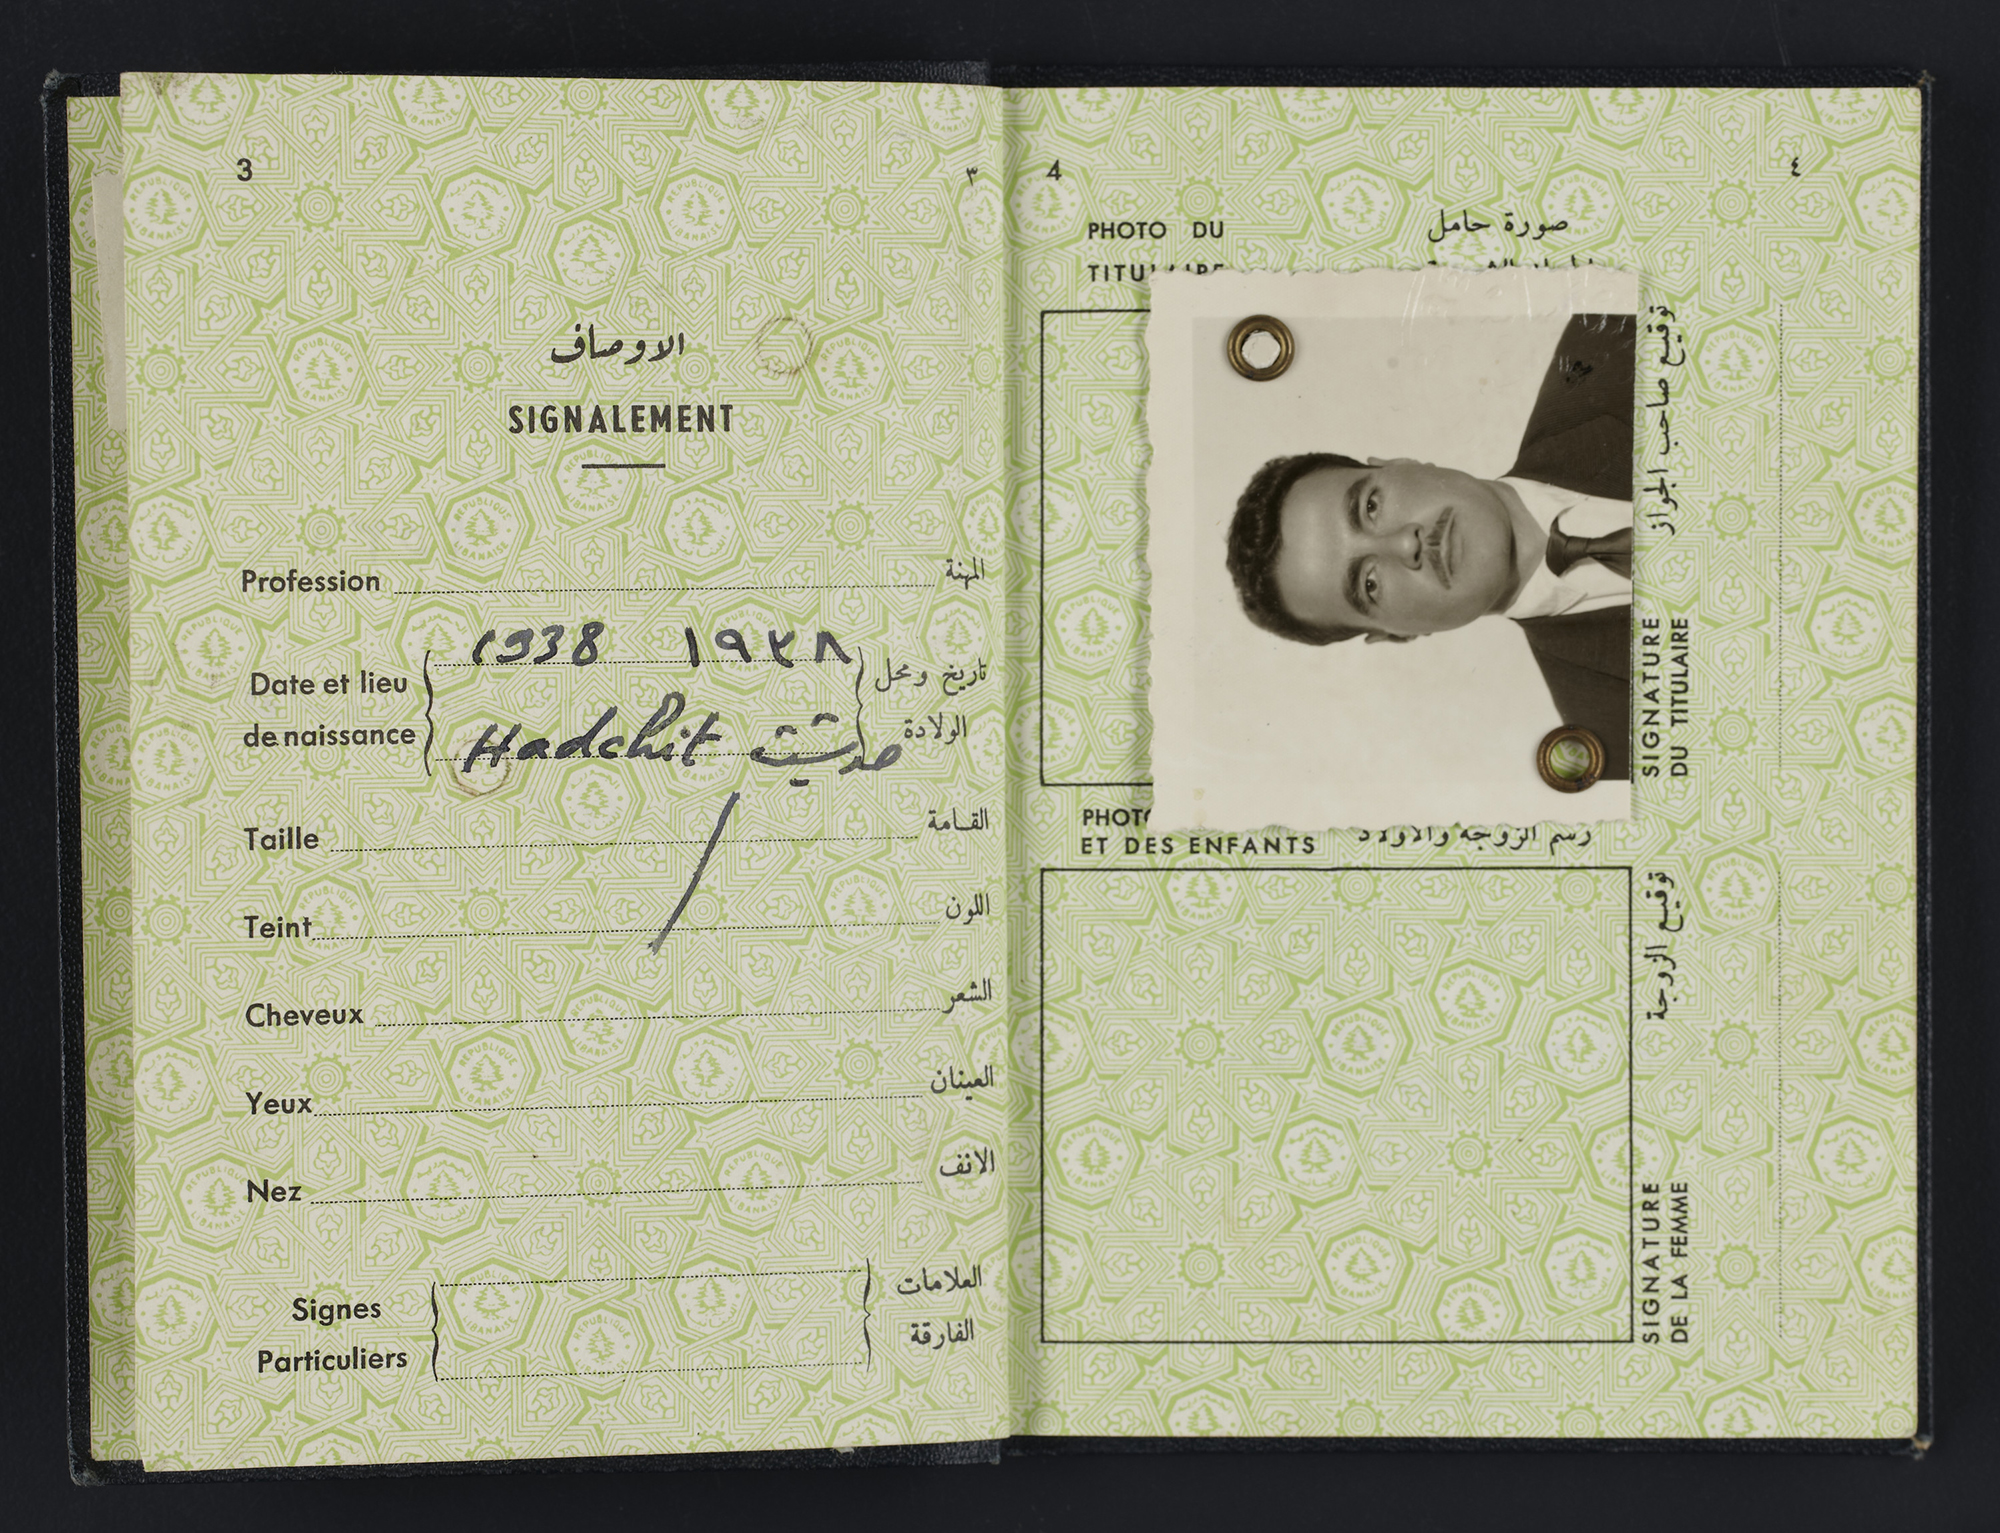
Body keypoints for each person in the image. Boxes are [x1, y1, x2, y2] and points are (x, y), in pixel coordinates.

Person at [1224, 312, 1634, 779]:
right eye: (1369, 583)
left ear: (1398, 462)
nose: (1404, 544)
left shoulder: (1612, 341)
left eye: (1371, 506)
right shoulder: (1614, 744)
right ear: (1397, 635)